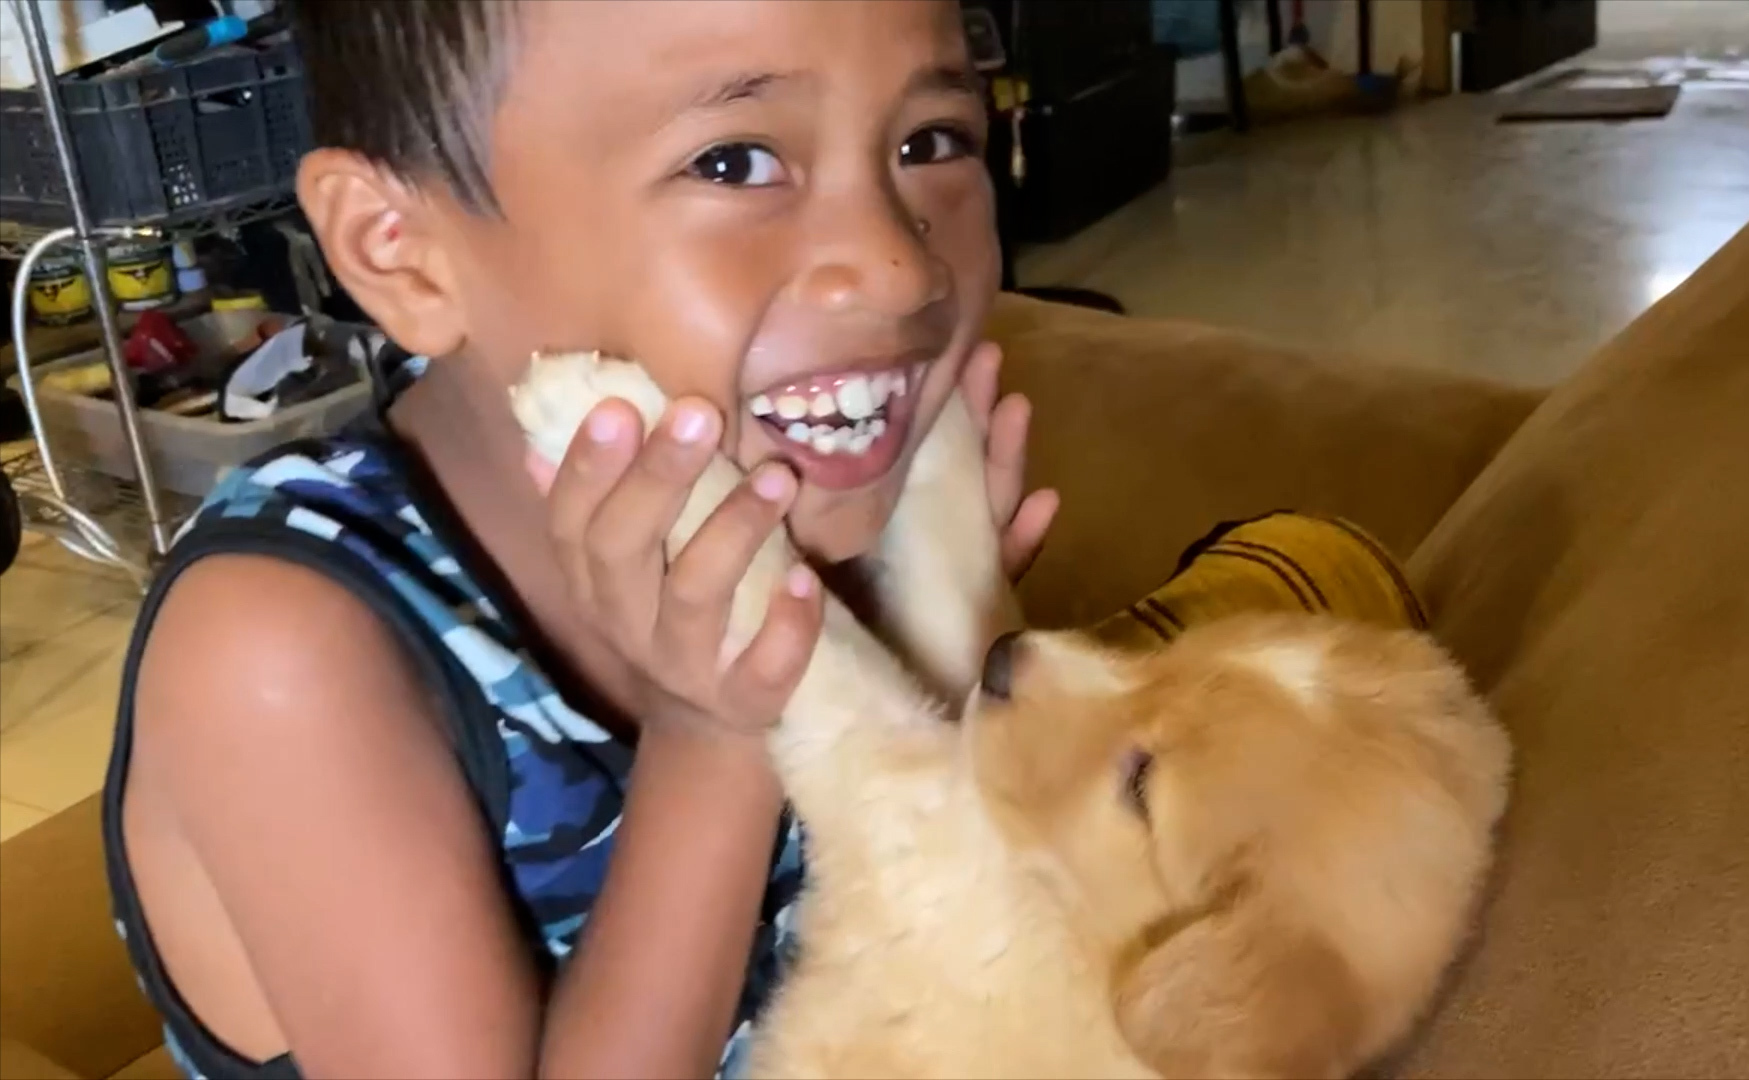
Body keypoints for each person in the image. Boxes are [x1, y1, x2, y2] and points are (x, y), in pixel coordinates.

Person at [101, 2, 1060, 1076]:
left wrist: (935, 653)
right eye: (735, 161)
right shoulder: (279, 652)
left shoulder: (788, 490)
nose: (898, 269)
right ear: (402, 252)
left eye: (929, 142)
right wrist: (720, 729)